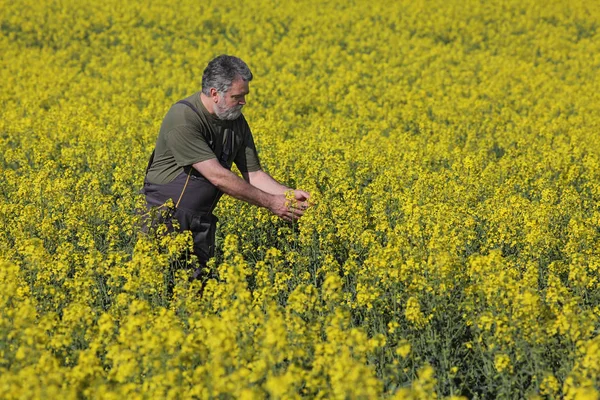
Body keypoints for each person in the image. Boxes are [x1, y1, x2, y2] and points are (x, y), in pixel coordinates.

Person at [141, 55, 310, 281]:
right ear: (214, 93)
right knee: (153, 287)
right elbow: (217, 176)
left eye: (244, 96)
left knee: (196, 295)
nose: (243, 103)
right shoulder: (183, 117)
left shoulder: (236, 121)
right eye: (237, 97)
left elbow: (254, 174)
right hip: (164, 219)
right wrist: (271, 203)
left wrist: (288, 195)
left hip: (200, 222)